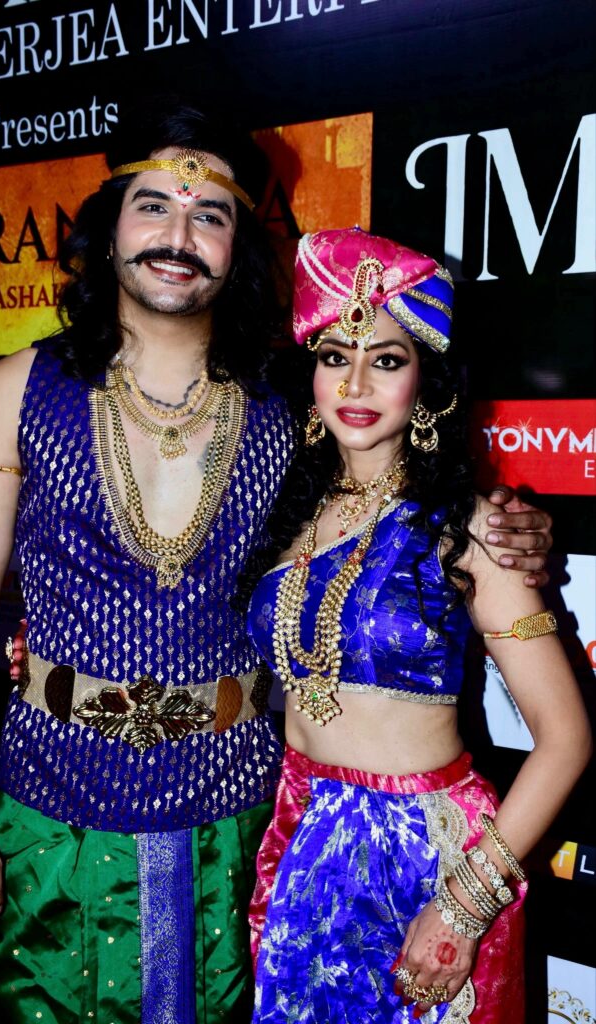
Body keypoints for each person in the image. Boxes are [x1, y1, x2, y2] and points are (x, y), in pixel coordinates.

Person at [0, 102, 553, 1024]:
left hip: (242, 821)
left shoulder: (292, 403)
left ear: (239, 246)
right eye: (153, 206)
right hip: (45, 810)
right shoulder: (15, 390)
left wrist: (507, 524)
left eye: (208, 215)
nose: (177, 238)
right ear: (108, 226)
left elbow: (399, 496)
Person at [246, 229, 591, 1023]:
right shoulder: (286, 515)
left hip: (421, 857)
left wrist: (464, 905)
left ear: (425, 383)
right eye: (334, 355)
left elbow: (565, 738)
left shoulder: (469, 530)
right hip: (299, 836)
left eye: (386, 359)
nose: (354, 382)